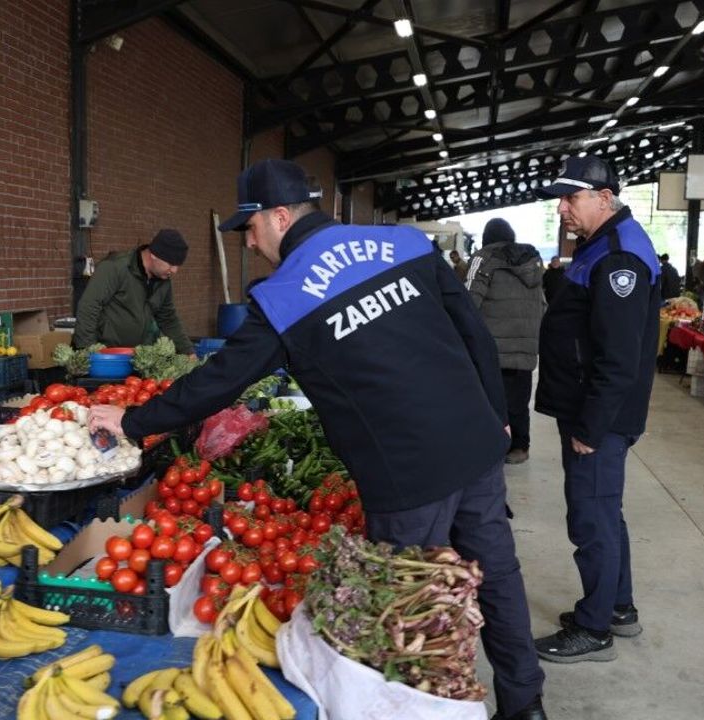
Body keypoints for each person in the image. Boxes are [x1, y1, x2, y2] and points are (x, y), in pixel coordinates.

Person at [89, 159, 547, 720]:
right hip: (473, 442)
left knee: (403, 611)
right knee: (496, 573)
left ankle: (413, 708)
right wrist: (496, 416)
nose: (251, 244)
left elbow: (217, 382)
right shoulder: (403, 245)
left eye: (251, 229)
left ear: (280, 217)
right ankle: (526, 705)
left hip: (405, 473)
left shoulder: (284, 295)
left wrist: (132, 422)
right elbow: (474, 332)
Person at [531, 155, 661, 663]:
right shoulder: (599, 246)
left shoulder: (619, 257)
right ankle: (618, 607)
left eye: (571, 198)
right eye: (560, 198)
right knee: (605, 510)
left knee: (591, 518)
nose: (562, 208)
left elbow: (618, 354)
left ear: (604, 198)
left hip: (599, 415)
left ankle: (594, 629)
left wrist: (591, 426)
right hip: (593, 409)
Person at [467, 218, 546, 465]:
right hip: (525, 348)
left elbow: (468, 300)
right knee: (518, 402)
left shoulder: (483, 258)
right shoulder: (533, 263)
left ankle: (492, 448)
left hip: (492, 347)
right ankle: (520, 447)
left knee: (489, 400)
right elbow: (542, 304)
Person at [71, 229, 195, 355]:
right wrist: (88, 351)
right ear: (154, 255)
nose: (174, 270)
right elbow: (89, 307)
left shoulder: (163, 281)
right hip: (104, 355)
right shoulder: (114, 268)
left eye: (178, 265)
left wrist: (188, 351)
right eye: (171, 264)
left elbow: (168, 318)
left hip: (133, 357)